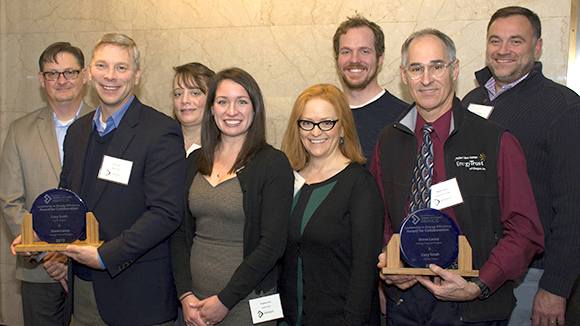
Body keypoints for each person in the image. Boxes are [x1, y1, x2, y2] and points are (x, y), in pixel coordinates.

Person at [371, 28, 544, 325]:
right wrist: (390, 262)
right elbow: (378, 217)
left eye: (437, 66)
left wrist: (478, 285)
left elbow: (525, 230)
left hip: (473, 306)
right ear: (403, 74)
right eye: (416, 68)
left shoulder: (495, 141)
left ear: (456, 69)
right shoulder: (388, 141)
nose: (426, 79)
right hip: (406, 303)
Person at [29, 33, 185, 326]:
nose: (110, 76)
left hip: (137, 296)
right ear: (89, 73)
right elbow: (68, 200)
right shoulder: (77, 133)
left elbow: (165, 214)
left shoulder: (159, 131)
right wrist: (42, 234)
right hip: (83, 291)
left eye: (121, 68)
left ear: (136, 75)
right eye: (102, 66)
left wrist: (104, 256)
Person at [461, 6, 580, 325]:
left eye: (516, 41)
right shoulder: (469, 102)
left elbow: (573, 207)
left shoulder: (564, 108)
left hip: (531, 277)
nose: (503, 50)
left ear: (537, 47)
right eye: (495, 40)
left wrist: (555, 288)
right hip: (473, 272)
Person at [170, 67, 293, 326]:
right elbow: (180, 233)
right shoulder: (195, 160)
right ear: (211, 108)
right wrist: (185, 295)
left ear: (255, 108)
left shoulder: (273, 164)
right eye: (223, 101)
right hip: (195, 306)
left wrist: (225, 300)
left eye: (242, 102)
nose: (231, 111)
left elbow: (272, 245)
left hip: (247, 304)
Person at [0, 41, 92, 326]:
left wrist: (71, 256)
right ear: (42, 80)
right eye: (52, 74)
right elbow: (10, 200)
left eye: (69, 72)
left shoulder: (107, 125)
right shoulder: (19, 131)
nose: (61, 80)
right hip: (38, 270)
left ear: (85, 75)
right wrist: (48, 256)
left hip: (93, 268)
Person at [278, 84, 384, 325]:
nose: (316, 132)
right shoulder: (286, 179)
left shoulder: (360, 185)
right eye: (307, 123)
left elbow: (365, 270)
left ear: (343, 127)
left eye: (326, 122)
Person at [333, 15, 407, 161]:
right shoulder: (323, 116)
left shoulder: (403, 118)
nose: (354, 59)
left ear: (380, 58)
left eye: (364, 51)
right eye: (346, 52)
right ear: (337, 58)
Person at [172, 62, 215, 156]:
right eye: (178, 94)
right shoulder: (160, 141)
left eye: (195, 93)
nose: (184, 100)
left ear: (212, 100)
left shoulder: (221, 149)